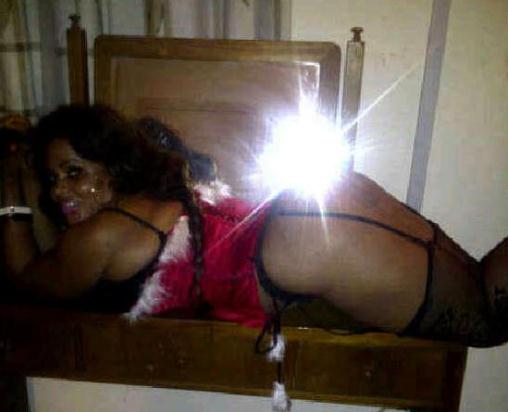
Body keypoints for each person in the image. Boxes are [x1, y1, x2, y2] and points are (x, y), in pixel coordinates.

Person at [1, 104, 507, 348]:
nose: (60, 192)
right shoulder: (154, 196)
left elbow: (26, 279)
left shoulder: (100, 236)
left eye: (75, 172)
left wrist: (6, 183)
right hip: (319, 210)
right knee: (484, 293)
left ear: (111, 165)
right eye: (51, 178)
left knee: (486, 323)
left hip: (304, 245)